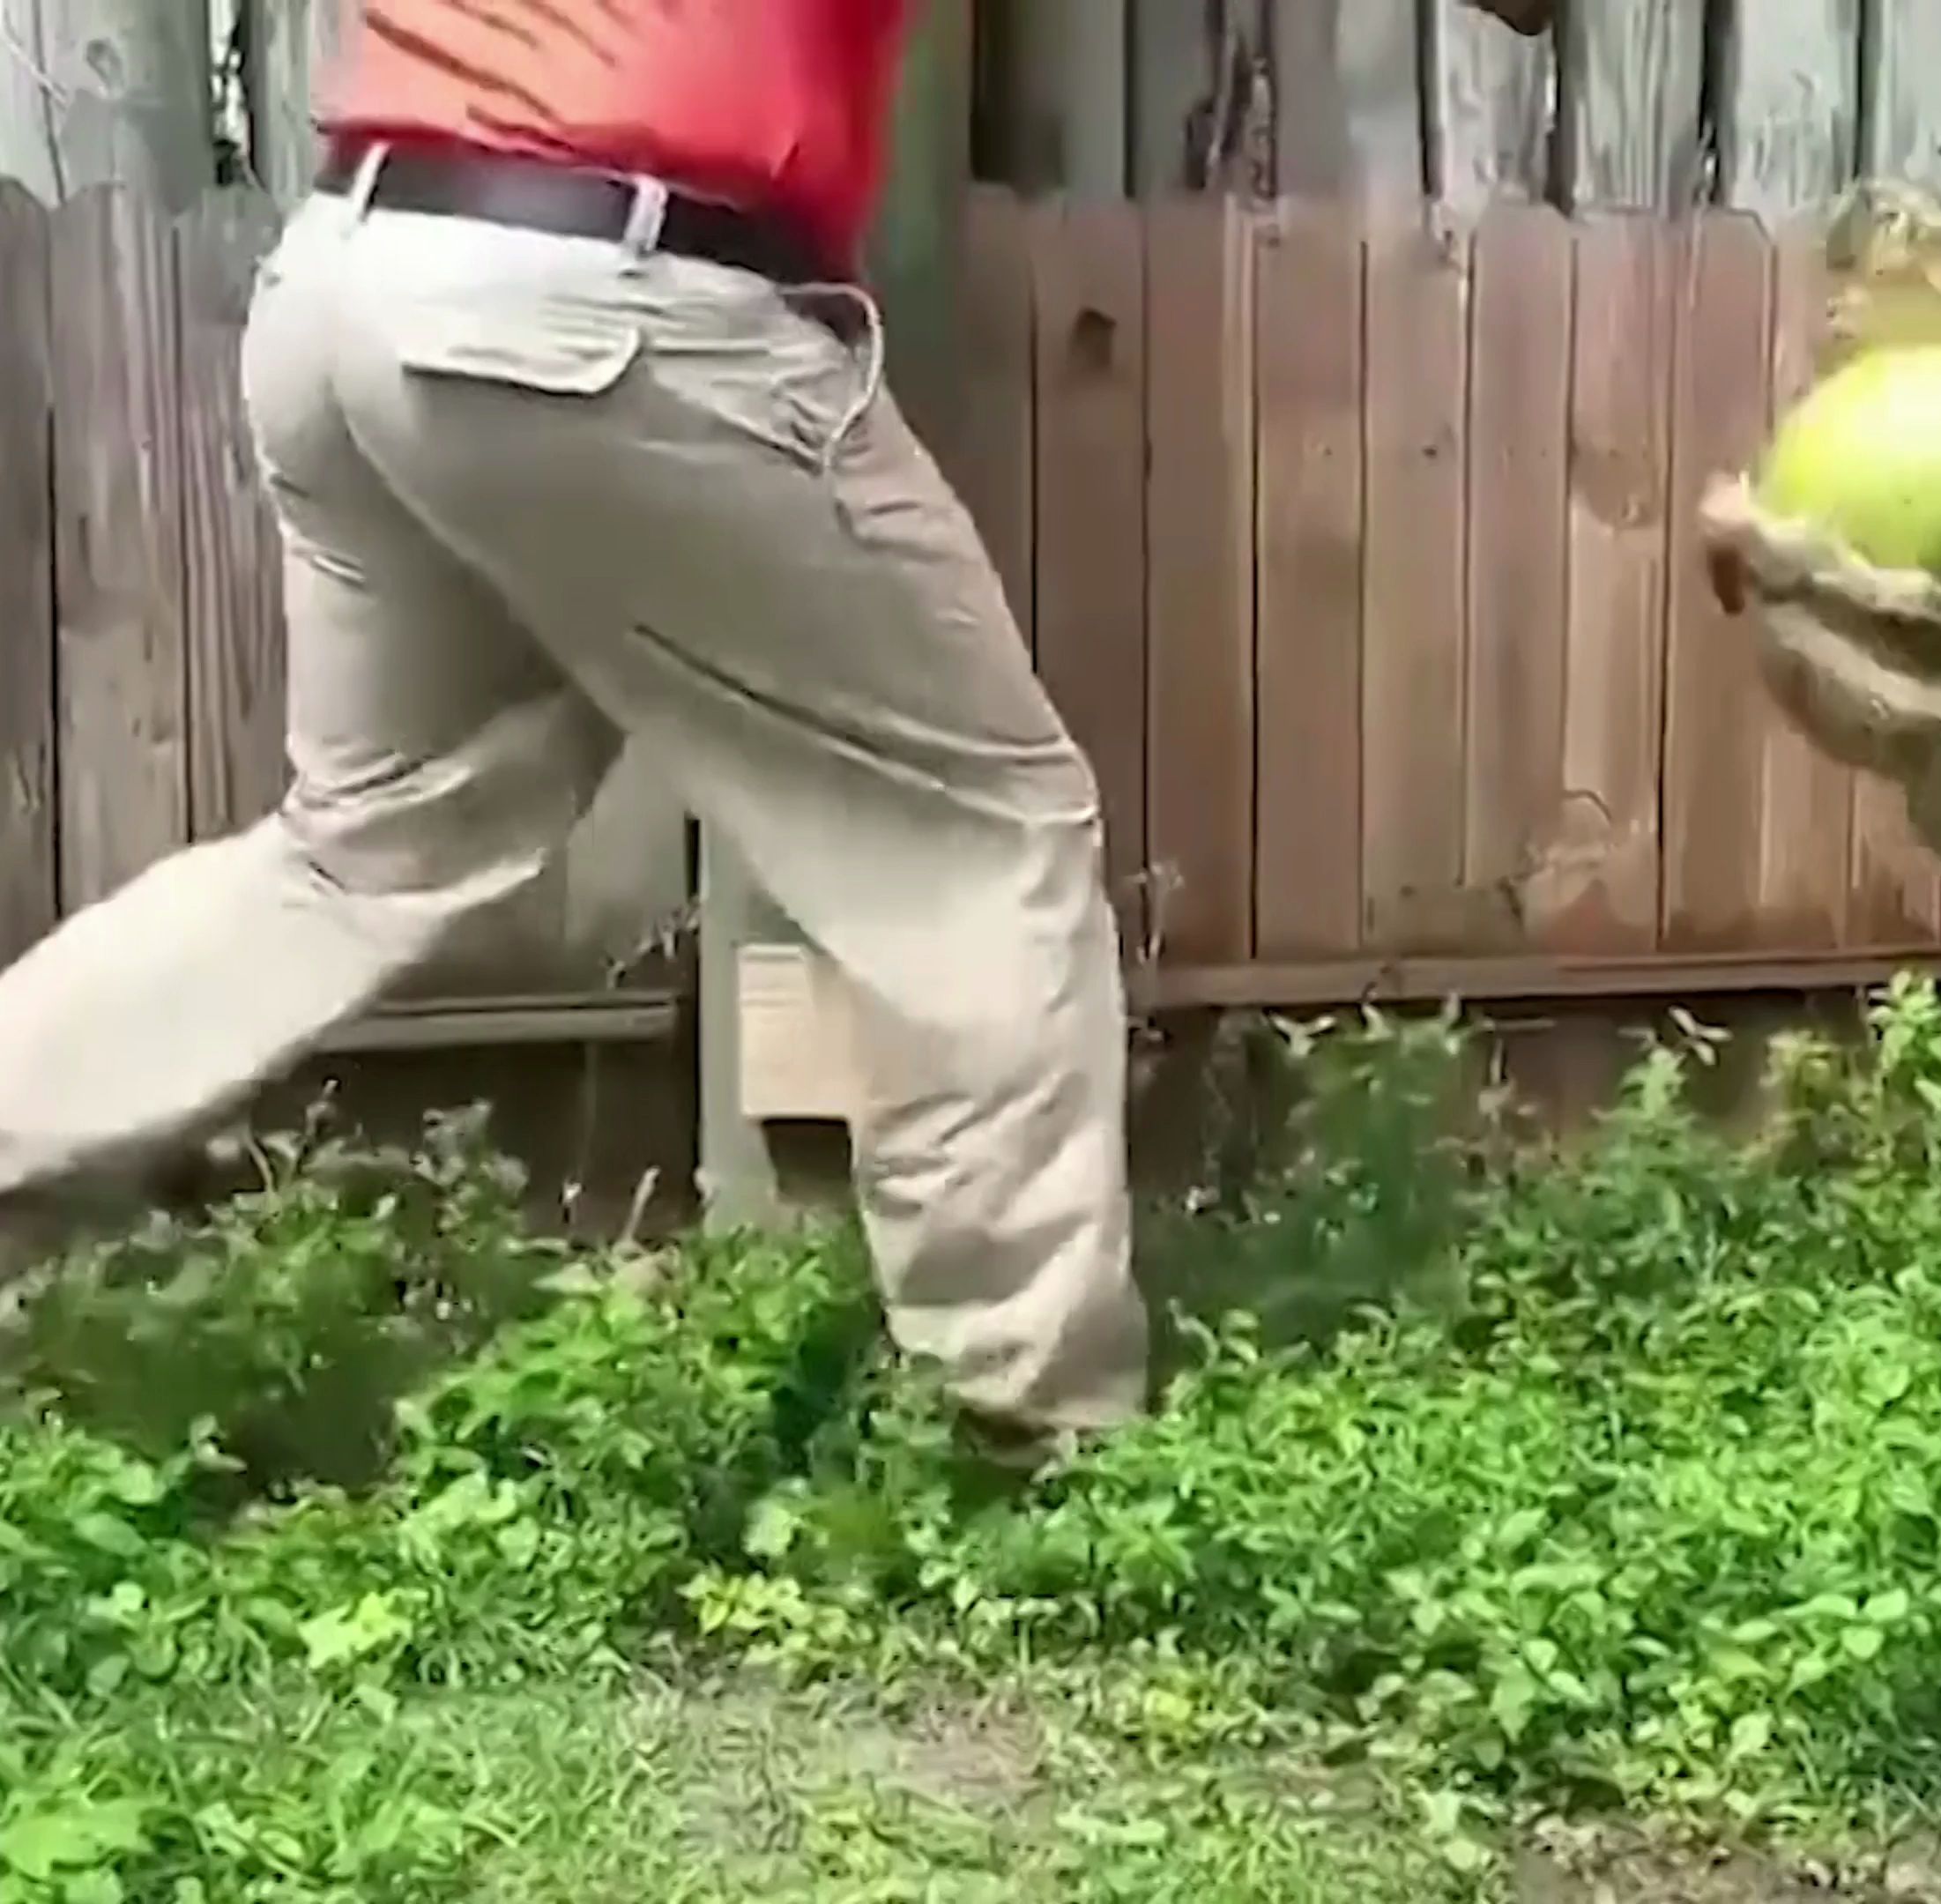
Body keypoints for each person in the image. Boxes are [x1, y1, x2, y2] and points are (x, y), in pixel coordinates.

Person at [0, 0, 1149, 1463]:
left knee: (349, 855)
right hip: (603, 300)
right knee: (990, 833)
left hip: (357, 277)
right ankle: (1038, 1433)